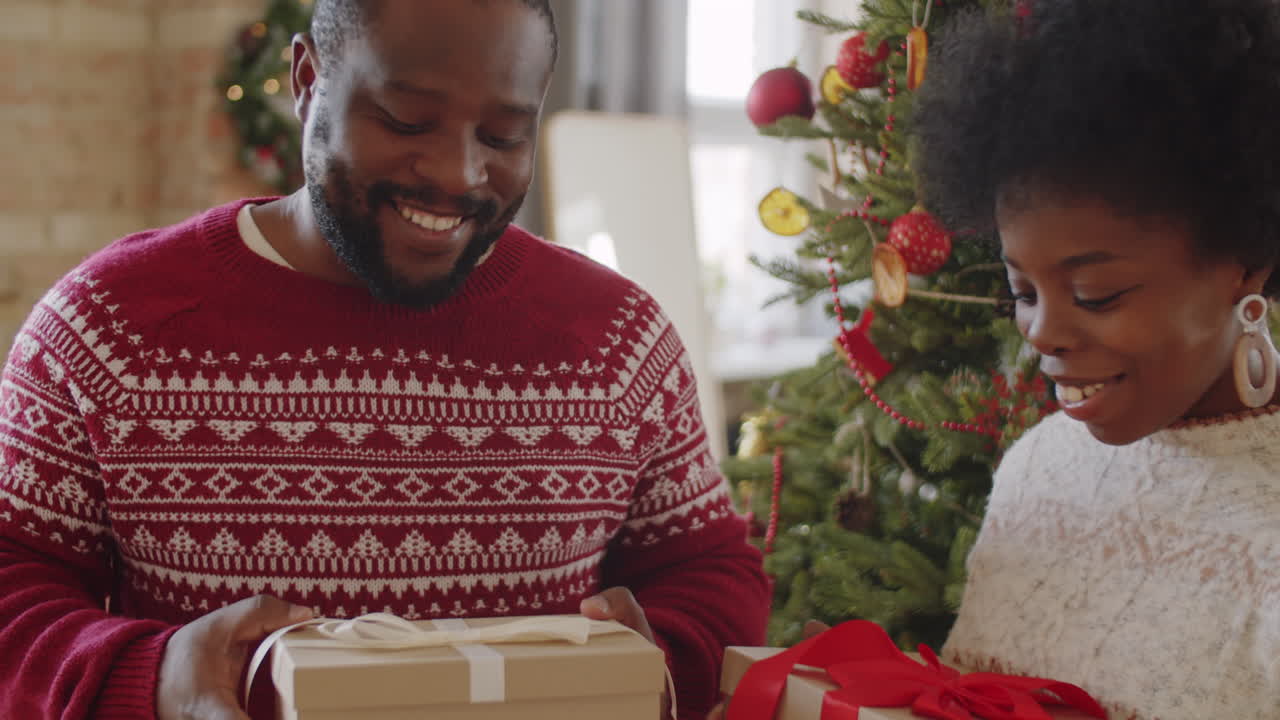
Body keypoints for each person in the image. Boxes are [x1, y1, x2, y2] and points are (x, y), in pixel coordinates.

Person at [0, 1, 770, 718]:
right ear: (307, 83)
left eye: (503, 136)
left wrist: (662, 656)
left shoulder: (619, 341)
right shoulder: (104, 328)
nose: (458, 174)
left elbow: (710, 571)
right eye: (407, 121)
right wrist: (158, 673)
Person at [908, 0, 1280, 717]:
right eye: (1022, 289)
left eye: (1097, 293)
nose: (1043, 332)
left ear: (1245, 264)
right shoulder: (1036, 469)